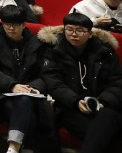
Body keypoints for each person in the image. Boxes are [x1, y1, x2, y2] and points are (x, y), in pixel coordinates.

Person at [0, 5, 58, 153]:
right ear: (2, 23)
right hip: (0, 92)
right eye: (7, 24)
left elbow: (46, 73)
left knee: (25, 101)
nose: (11, 28)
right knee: (28, 113)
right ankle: (19, 148)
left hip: (29, 92)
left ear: (24, 24)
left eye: (16, 25)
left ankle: (13, 148)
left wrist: (33, 87)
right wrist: (12, 85)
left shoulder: (36, 42)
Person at [40, 12, 122, 153]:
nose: (74, 34)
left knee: (108, 117)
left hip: (102, 106)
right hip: (70, 107)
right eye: (70, 29)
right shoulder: (54, 51)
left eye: (79, 31)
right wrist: (75, 101)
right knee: (109, 137)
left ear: (90, 34)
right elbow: (53, 83)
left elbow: (118, 81)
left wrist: (103, 101)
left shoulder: (104, 52)